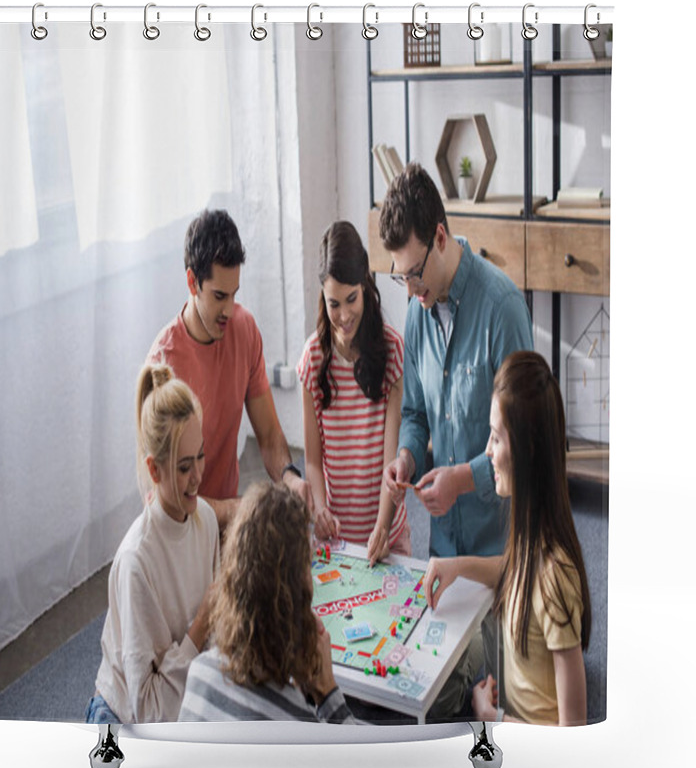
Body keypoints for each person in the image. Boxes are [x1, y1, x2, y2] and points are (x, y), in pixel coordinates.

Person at [423, 351, 592, 726]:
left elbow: (572, 738)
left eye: (496, 438)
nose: (486, 451)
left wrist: (492, 717)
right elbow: (515, 571)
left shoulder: (555, 578)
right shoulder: (532, 539)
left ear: (527, 451)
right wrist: (457, 566)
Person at [380, 162, 534, 560]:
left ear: (441, 237)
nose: (411, 290)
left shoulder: (503, 310)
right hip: (443, 547)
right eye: (401, 277)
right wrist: (406, 457)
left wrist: (461, 481)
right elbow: (414, 413)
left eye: (414, 273)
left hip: (501, 548)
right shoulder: (418, 310)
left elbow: (525, 440)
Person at [148, 209, 312, 532]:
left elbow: (267, 435)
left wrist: (291, 478)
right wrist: (239, 509)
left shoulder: (244, 329)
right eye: (219, 296)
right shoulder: (163, 367)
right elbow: (169, 496)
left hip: (225, 522)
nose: (228, 310)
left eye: (234, 294)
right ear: (192, 282)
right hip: (178, 531)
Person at [86, 363, 219, 724]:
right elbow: (146, 710)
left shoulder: (204, 519)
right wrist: (202, 623)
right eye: (184, 467)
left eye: (201, 457)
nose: (198, 477)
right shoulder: (136, 562)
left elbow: (216, 646)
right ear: (155, 469)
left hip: (180, 697)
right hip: (123, 716)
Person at [178, 482, 355, 724]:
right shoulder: (301, 723)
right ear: (298, 591)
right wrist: (327, 693)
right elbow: (358, 761)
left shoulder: (198, 675)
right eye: (308, 563)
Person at [297, 221, 409, 565]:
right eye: (334, 304)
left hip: (386, 533)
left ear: (365, 286)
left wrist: (382, 525)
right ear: (323, 298)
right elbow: (313, 461)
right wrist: (320, 507)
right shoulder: (313, 359)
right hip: (337, 540)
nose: (344, 316)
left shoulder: (391, 349)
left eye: (351, 300)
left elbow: (392, 460)